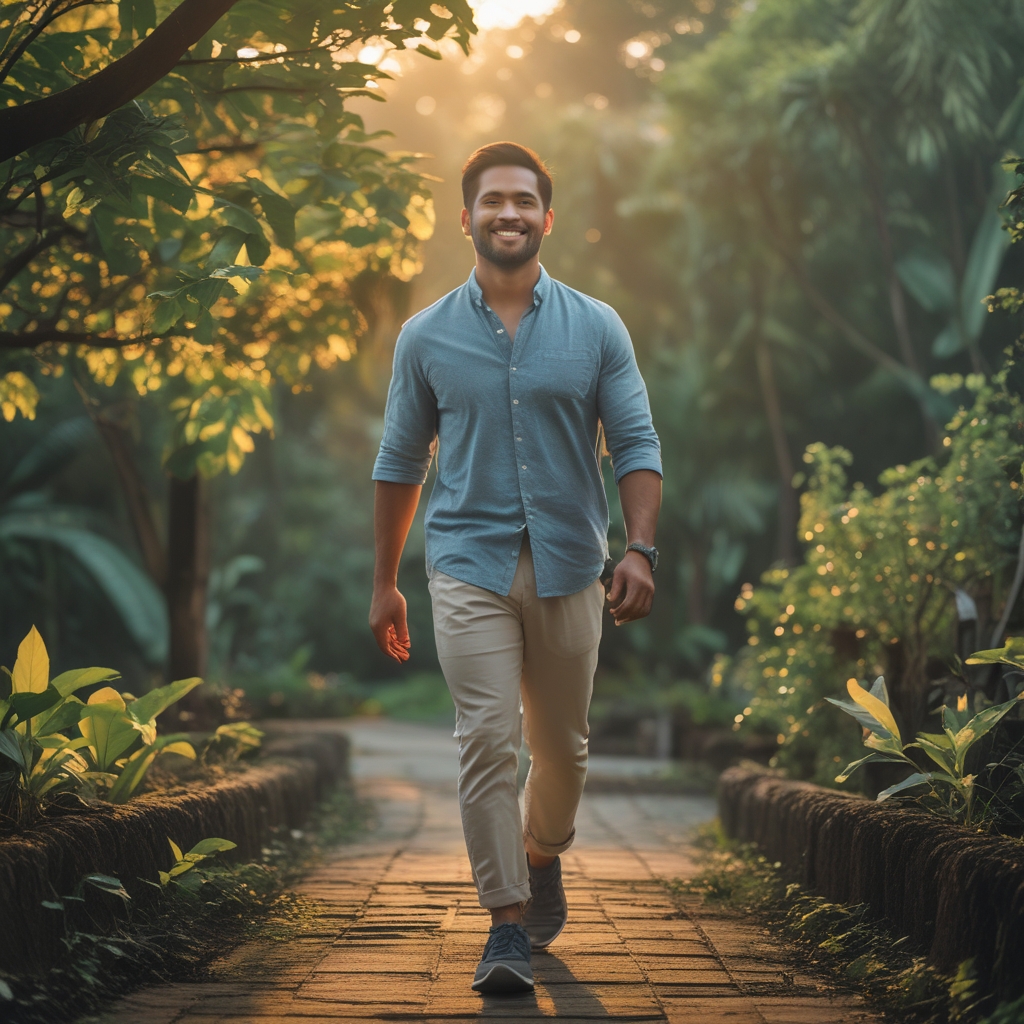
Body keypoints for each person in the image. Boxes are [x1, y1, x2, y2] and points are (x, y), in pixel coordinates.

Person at [369, 141, 662, 995]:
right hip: (466, 564)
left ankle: (542, 856)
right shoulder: (424, 336)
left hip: (573, 562)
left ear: (546, 217)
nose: (508, 213)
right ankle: (504, 925)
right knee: (487, 741)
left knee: (562, 751)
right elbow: (399, 461)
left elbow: (636, 443)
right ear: (465, 218)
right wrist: (385, 580)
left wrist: (639, 548)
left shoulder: (597, 326)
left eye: (523, 201)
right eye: (492, 201)